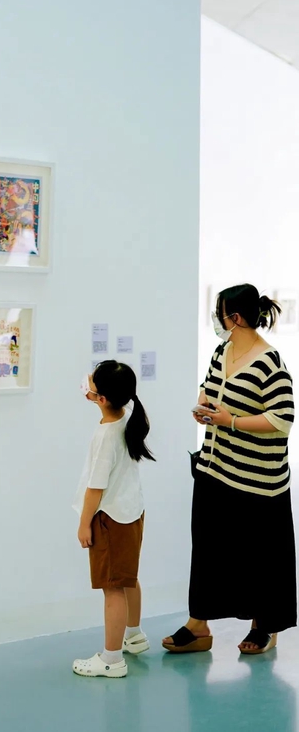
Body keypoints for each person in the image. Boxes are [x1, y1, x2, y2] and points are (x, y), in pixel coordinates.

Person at [163, 284, 296, 655]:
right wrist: (204, 405)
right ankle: (198, 624)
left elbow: (282, 419)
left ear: (235, 318)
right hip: (215, 468)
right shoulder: (222, 351)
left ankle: (264, 625)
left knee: (260, 556)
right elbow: (209, 387)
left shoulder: (269, 363)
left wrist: (230, 421)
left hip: (258, 482)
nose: (216, 320)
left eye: (219, 313)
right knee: (208, 549)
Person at [72, 360, 154, 679]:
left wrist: (84, 523)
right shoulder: (128, 416)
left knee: (113, 587)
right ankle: (134, 635)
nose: (87, 384)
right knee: (128, 577)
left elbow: (95, 488)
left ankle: (111, 659)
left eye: (92, 383)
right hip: (132, 512)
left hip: (109, 519)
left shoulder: (106, 435)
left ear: (102, 398)